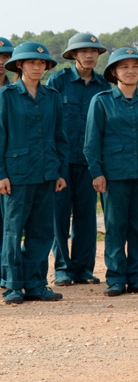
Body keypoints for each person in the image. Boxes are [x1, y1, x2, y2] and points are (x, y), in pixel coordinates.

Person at [84, 48, 138, 296]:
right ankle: (115, 278)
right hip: (114, 175)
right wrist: (97, 173)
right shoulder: (101, 101)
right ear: (114, 72)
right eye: (124, 67)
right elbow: (92, 142)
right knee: (115, 227)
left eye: (135, 66)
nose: (130, 71)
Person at [1, 42, 69, 304]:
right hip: (16, 175)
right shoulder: (6, 96)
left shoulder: (52, 96)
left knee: (42, 231)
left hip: (46, 173)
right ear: (20, 65)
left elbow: (59, 136)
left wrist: (60, 171)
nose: (37, 67)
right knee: (13, 231)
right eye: (31, 63)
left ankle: (36, 283)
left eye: (41, 63)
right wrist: (1, 174)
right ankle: (13, 285)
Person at [47, 32, 111, 286]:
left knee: (86, 216)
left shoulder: (105, 86)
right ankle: (62, 268)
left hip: (90, 163)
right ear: (73, 54)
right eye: (84, 51)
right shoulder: (58, 81)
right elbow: (49, 122)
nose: (89, 55)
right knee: (59, 215)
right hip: (62, 161)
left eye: (94, 52)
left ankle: (84, 268)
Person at [0, 36, 12, 282]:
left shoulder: (14, 93)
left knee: (7, 224)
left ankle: (5, 274)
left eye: (5, 57)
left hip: (10, 168)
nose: (1, 62)